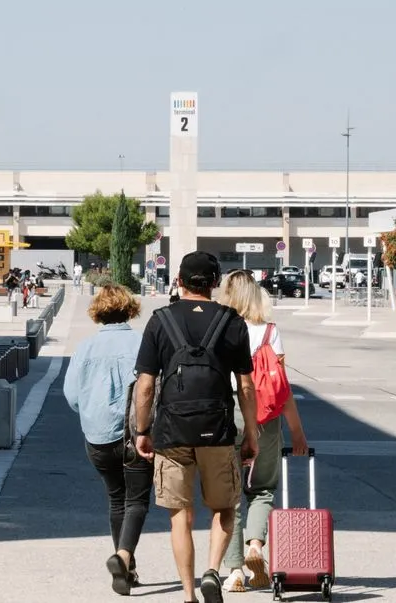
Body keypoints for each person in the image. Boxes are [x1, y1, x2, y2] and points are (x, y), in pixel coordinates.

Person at [134, 252, 258, 603]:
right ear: (215, 282)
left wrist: (143, 430)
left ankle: (188, 595)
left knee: (180, 517)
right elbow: (246, 386)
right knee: (225, 507)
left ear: (179, 280)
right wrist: (251, 432)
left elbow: (146, 385)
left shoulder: (160, 321)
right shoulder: (232, 322)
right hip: (217, 431)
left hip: (172, 433)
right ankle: (211, 571)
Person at [216, 270, 309, 593]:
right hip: (267, 419)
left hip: (230, 415)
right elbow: (281, 389)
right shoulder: (270, 333)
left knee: (230, 495)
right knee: (263, 488)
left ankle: (236, 569)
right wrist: (297, 432)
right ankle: (256, 546)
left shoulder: (221, 329)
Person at [63, 285, 149, 596]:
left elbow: (71, 396)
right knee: (136, 500)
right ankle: (124, 558)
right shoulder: (142, 344)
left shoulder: (84, 347)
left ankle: (126, 568)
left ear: (98, 311)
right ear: (129, 309)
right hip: (134, 435)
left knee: (116, 498)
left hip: (97, 437)